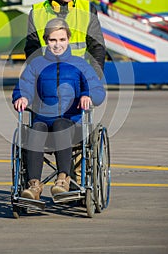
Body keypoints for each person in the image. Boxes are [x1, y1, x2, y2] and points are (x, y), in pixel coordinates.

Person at [12, 18, 106, 201]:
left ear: (68, 39)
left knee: (61, 124)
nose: (57, 45)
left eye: (62, 40)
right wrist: (22, 97)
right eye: (53, 40)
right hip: (43, 122)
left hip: (72, 123)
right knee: (35, 130)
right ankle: (34, 185)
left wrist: (88, 96)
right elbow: (24, 86)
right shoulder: (36, 65)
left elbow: (97, 90)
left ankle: (63, 179)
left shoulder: (80, 65)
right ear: (46, 40)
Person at [24, 0, 106, 80]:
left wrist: (94, 79)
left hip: (80, 80)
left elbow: (97, 48)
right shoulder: (37, 13)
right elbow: (32, 51)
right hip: (49, 80)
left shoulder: (87, 9)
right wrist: (41, 79)